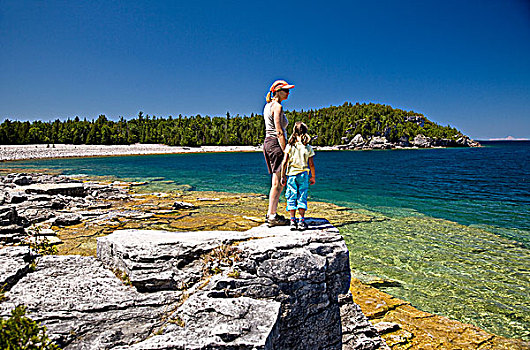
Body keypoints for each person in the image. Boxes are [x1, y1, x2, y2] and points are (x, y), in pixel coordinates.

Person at [263, 80, 294, 227]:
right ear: (278, 91)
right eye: (286, 90)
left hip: (268, 143)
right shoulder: (277, 106)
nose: (288, 93)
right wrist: (286, 150)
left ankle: (271, 213)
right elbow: (279, 130)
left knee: (276, 181)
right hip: (276, 143)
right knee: (278, 182)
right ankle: (272, 216)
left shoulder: (267, 106)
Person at [280, 122, 316, 231]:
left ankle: (292, 220)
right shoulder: (308, 147)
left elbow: (284, 162)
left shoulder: (290, 146)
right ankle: (301, 221)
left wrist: (282, 176)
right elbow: (311, 164)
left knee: (291, 195)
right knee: (302, 195)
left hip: (291, 175)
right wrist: (313, 176)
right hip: (303, 175)